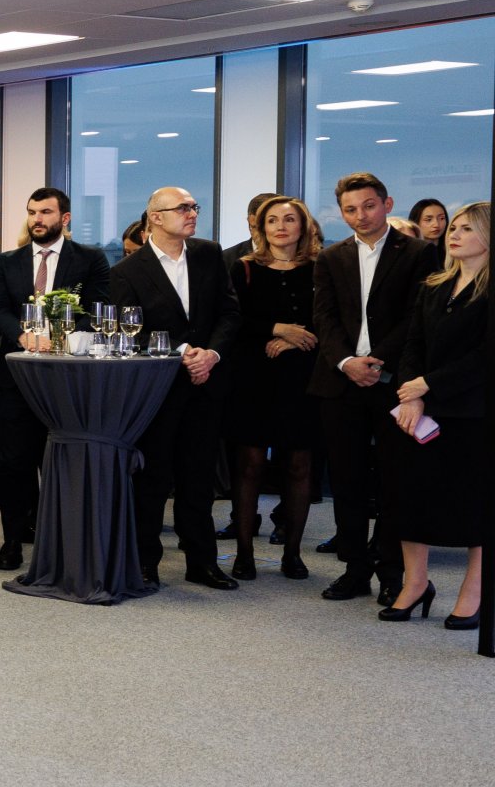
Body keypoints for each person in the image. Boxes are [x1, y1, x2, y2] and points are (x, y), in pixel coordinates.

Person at [310, 172, 441, 603]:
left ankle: (391, 571)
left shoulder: (419, 252)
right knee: (345, 480)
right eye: (350, 209)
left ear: (387, 204)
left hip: (395, 382)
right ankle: (354, 569)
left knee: (394, 479)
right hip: (341, 381)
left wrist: (376, 360)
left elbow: (417, 317)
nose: (360, 216)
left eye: (368, 206)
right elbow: (324, 318)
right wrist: (347, 362)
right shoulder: (331, 257)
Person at [110, 187, 241, 590]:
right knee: (152, 480)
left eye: (193, 207)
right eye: (182, 208)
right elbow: (129, 331)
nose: (192, 213)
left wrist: (211, 354)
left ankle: (201, 563)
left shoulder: (208, 254)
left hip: (206, 384)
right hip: (158, 389)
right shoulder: (127, 271)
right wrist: (184, 352)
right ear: (155, 217)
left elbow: (229, 312)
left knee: (199, 479)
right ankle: (145, 562)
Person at [0, 187, 111, 572]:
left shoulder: (89, 258)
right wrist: (22, 336)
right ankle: (11, 541)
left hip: (68, 380)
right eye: (32, 212)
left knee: (62, 462)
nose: (37, 219)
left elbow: (98, 308)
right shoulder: (8, 261)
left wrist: (61, 336)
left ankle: (63, 543)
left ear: (64, 218)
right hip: (18, 378)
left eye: (45, 212)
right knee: (14, 463)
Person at [380, 202, 487, 627]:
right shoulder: (434, 285)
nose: (453, 234)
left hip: (473, 411)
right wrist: (412, 396)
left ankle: (475, 591)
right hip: (422, 410)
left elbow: (484, 357)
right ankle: (416, 583)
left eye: (466, 228)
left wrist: (429, 384)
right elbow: (413, 345)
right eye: (453, 227)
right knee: (411, 498)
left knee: (475, 505)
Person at [224, 197, 322, 581]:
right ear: (261, 227)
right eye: (272, 220)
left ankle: (292, 554)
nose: (281, 226)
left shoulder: (321, 268)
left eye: (289, 219)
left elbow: (328, 320)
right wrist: (276, 329)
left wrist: (294, 340)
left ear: (303, 226)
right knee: (249, 464)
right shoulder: (244, 268)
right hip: (253, 376)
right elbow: (233, 320)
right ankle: (244, 553)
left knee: (299, 465)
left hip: (303, 376)